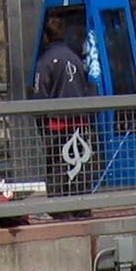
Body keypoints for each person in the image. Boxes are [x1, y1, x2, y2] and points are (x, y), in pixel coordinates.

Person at [31, 21, 91, 202]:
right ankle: (81, 204)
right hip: (80, 121)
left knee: (57, 162)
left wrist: (40, 119)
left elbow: (39, 92)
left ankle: (58, 205)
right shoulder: (75, 58)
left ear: (46, 36)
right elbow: (86, 87)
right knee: (79, 160)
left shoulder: (45, 61)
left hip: (57, 123)